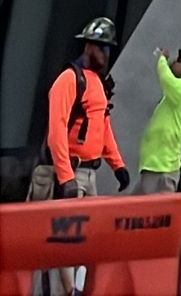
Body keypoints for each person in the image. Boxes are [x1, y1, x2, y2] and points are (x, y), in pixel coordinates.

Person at [28, 16, 130, 292]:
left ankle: (72, 290)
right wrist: (65, 177)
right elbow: (57, 131)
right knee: (55, 247)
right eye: (102, 48)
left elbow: (102, 128)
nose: (106, 54)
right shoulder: (70, 79)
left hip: (85, 174)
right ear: (89, 46)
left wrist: (117, 165)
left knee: (82, 244)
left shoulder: (97, 83)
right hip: (64, 174)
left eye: (108, 49)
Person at [137, 45, 181, 194]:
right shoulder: (174, 96)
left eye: (180, 60)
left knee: (158, 207)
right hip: (156, 165)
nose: (175, 61)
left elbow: (166, 79)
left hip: (163, 167)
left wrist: (162, 59)